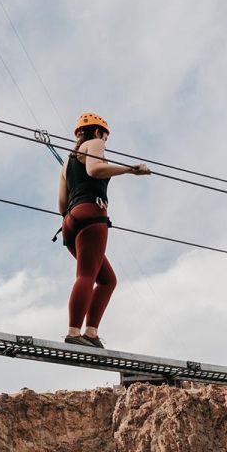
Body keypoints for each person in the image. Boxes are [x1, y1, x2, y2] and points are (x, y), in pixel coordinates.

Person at [58, 113, 150, 347]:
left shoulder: (66, 164)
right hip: (92, 214)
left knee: (107, 280)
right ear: (99, 132)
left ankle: (90, 333)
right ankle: (74, 332)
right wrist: (131, 170)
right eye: (106, 136)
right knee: (86, 275)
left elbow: (60, 204)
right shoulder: (95, 143)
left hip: (70, 222)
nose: (105, 142)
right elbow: (95, 169)